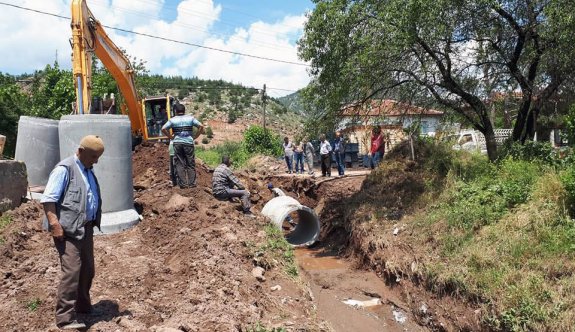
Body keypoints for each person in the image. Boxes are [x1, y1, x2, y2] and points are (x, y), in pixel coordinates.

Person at [41, 135, 105, 330]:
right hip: (67, 231)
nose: (96, 161)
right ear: (82, 151)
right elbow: (48, 199)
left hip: (85, 228)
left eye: (98, 156)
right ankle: (65, 319)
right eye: (94, 156)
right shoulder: (65, 169)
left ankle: (83, 307)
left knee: (88, 269)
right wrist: (54, 224)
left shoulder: (87, 170)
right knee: (72, 272)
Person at [161, 104, 204, 188]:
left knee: (179, 164)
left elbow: (163, 128)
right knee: (190, 163)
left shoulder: (172, 120)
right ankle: (192, 184)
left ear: (175, 111)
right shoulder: (190, 118)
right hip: (188, 142)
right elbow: (201, 126)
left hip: (177, 143)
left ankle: (183, 185)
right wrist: (195, 136)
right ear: (184, 111)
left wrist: (170, 137)